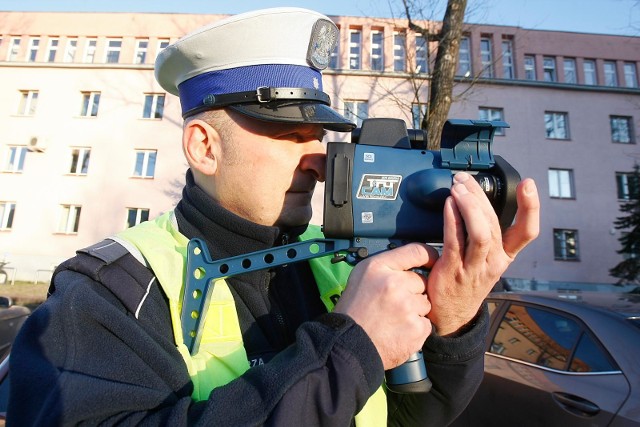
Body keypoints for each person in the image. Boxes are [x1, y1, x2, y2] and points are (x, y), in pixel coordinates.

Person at [6, 7, 540, 426]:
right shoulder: (107, 292)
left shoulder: (340, 262)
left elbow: (412, 415)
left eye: (319, 137)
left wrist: (453, 325)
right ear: (204, 147)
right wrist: (348, 348)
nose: (316, 158)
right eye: (289, 136)